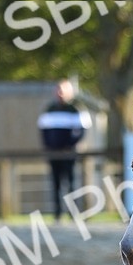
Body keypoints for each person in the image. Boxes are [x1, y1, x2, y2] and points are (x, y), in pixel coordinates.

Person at [37, 80, 90, 219]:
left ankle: (74, 214)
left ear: (70, 92)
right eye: (58, 90)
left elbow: (82, 131)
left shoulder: (76, 109)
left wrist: (70, 145)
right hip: (53, 153)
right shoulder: (49, 109)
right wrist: (49, 147)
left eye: (63, 90)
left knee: (71, 182)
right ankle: (57, 214)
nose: (60, 93)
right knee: (55, 183)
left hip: (69, 153)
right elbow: (43, 131)